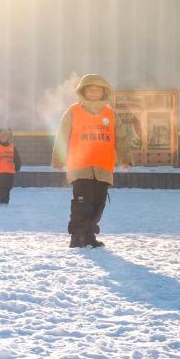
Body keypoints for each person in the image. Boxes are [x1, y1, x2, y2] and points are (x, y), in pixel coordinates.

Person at [52, 74, 132, 248]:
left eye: (98, 89)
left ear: (104, 92)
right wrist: (59, 158)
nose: (94, 92)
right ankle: (76, 237)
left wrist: (125, 158)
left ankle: (89, 237)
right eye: (90, 89)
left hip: (103, 167)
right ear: (83, 91)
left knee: (98, 205)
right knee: (82, 203)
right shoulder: (73, 111)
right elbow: (62, 135)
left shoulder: (110, 114)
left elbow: (121, 138)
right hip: (80, 166)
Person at [0, 128, 22, 205]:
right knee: (1, 189)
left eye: (5, 136)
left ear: (8, 137)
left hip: (10, 172)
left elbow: (16, 158)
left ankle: (6, 203)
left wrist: (17, 166)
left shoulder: (12, 146)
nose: (4, 138)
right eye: (2, 136)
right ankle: (2, 203)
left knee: (7, 189)